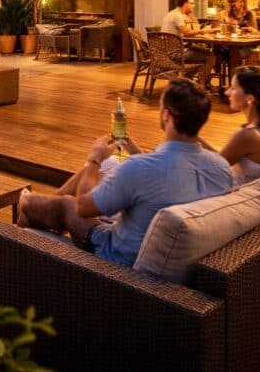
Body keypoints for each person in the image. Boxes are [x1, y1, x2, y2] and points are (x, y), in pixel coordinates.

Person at [16, 79, 233, 267]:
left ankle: (21, 222)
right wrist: (134, 150)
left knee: (65, 204)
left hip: (119, 257)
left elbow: (83, 207)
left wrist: (94, 159)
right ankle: (25, 234)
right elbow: (167, 173)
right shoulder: (221, 168)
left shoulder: (139, 169)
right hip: (177, 253)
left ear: (166, 115)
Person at [201, 67, 260, 186]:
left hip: (232, 193)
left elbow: (215, 168)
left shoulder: (247, 135)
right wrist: (194, 139)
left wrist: (188, 137)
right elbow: (224, 158)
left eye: (233, 88)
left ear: (250, 98)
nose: (226, 92)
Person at [160, 0, 216, 87]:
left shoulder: (173, 14)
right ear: (185, 4)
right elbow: (188, 33)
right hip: (176, 54)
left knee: (204, 53)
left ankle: (188, 81)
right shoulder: (177, 16)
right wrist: (204, 31)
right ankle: (202, 84)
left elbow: (187, 32)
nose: (194, 5)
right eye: (191, 3)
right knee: (211, 57)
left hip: (171, 51)